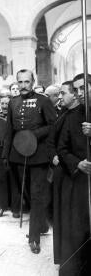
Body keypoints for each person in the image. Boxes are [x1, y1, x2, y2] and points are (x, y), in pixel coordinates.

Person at [2, 69, 56, 254]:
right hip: (18, 154)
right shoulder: (13, 102)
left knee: (36, 194)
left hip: (39, 155)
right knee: (25, 192)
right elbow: (9, 129)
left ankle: (34, 238)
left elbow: (52, 125)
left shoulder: (44, 100)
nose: (23, 85)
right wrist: (5, 155)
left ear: (33, 82)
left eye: (26, 82)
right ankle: (41, 224)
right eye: (20, 82)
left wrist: (35, 134)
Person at [57, 73, 91, 276]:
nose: (80, 93)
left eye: (84, 87)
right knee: (79, 228)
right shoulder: (73, 116)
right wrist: (77, 163)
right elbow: (62, 149)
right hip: (80, 181)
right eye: (77, 89)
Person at [47, 81, 80, 266]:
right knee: (60, 215)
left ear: (74, 95)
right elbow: (51, 141)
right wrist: (53, 157)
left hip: (73, 174)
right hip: (60, 171)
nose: (60, 96)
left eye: (63, 93)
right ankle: (63, 257)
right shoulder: (61, 115)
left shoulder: (82, 115)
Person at [0, 89, 20, 218]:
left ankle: (16, 209)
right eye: (2, 103)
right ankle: (2, 207)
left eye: (7, 103)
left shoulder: (17, 117)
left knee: (14, 180)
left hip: (13, 153)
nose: (4, 106)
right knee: (0, 179)